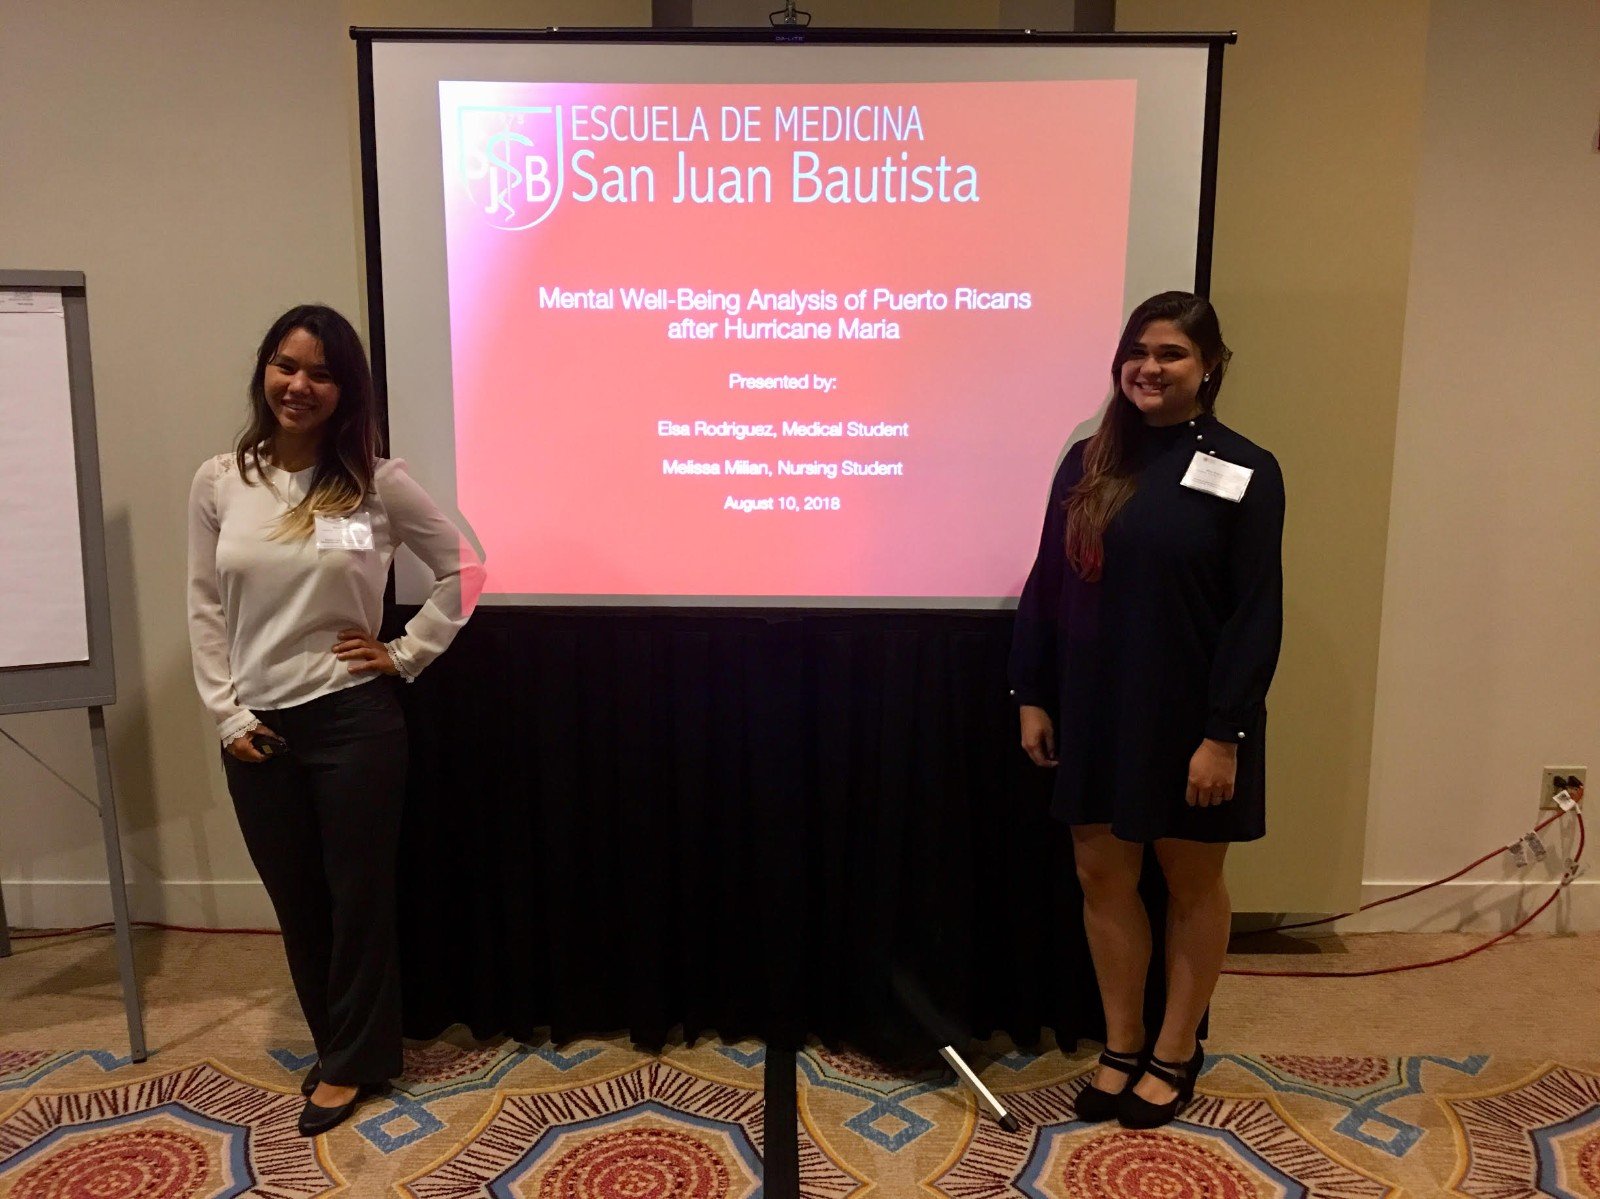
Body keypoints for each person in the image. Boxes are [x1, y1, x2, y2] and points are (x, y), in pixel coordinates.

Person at [187, 303, 484, 1136]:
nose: (299, 385)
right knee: (298, 898)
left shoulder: (374, 481)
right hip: (257, 726)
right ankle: (342, 1042)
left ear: (346, 389)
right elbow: (204, 606)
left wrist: (406, 652)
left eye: (321, 373)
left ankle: (351, 1060)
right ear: (264, 370)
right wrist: (225, 714)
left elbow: (465, 567)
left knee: (358, 899)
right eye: (287, 365)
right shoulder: (220, 481)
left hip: (352, 720)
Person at [1009, 291, 1283, 1129]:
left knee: (1192, 883)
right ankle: (1122, 1043)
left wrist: (1224, 734)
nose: (1149, 368)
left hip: (1193, 719)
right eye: (1138, 351)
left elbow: (1255, 612)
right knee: (1102, 875)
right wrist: (1031, 691)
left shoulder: (1247, 468)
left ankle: (1175, 1049)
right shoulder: (1088, 460)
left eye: (1171, 353)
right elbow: (1048, 583)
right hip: (1096, 707)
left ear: (1211, 366)